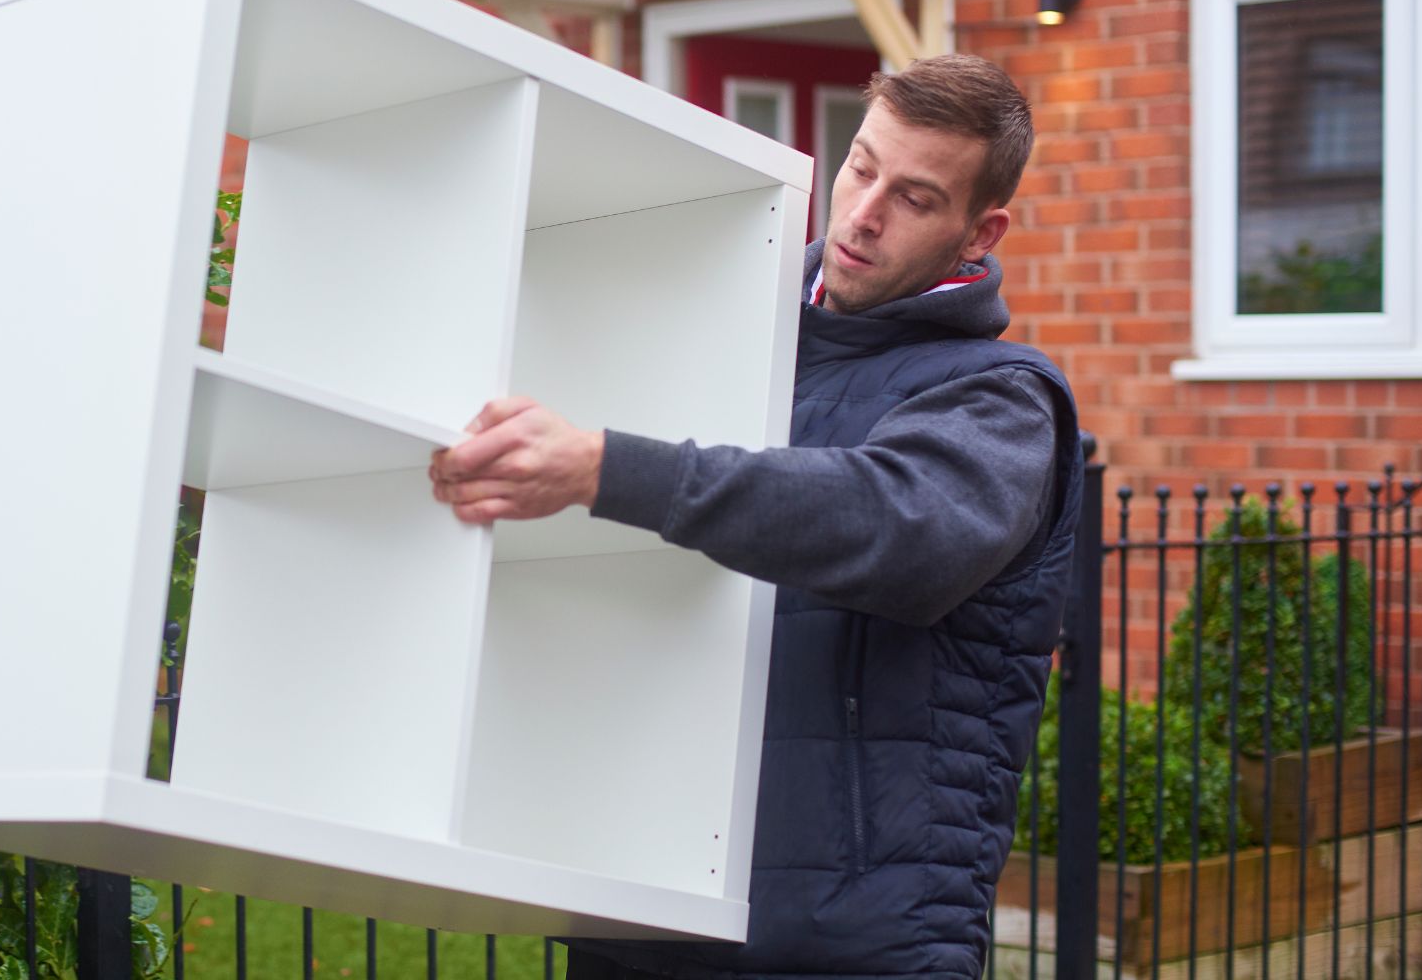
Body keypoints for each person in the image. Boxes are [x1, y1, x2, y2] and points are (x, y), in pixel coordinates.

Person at [427, 54, 1084, 980]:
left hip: (852, 948)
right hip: (636, 905)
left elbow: (898, 527)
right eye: (861, 167)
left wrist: (609, 469)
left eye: (916, 197)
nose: (864, 213)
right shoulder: (717, 339)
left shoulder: (1000, 403)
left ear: (981, 234)